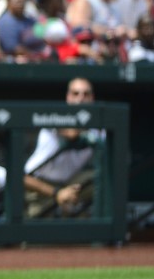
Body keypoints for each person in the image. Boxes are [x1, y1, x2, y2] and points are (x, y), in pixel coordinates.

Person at [23, 77, 100, 218]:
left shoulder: (98, 128)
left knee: (102, 178)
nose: (81, 99)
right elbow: (71, 133)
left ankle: (108, 232)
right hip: (39, 185)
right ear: (68, 97)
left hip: (70, 183)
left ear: (92, 98)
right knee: (38, 236)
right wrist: (58, 193)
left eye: (86, 94)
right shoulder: (57, 115)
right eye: (76, 94)